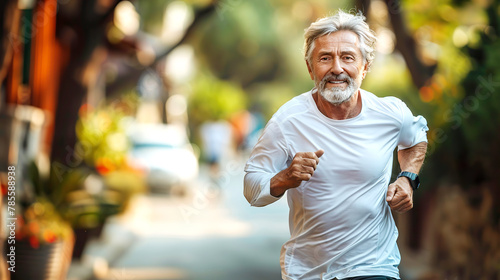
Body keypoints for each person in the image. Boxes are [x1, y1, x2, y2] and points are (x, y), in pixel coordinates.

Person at [243, 10, 428, 280]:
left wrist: (408, 178)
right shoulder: (288, 120)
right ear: (310, 68)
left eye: (348, 58)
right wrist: (285, 177)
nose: (337, 68)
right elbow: (251, 187)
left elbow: (417, 138)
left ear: (364, 67)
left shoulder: (389, 113)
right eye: (325, 58)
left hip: (374, 267)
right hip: (309, 271)